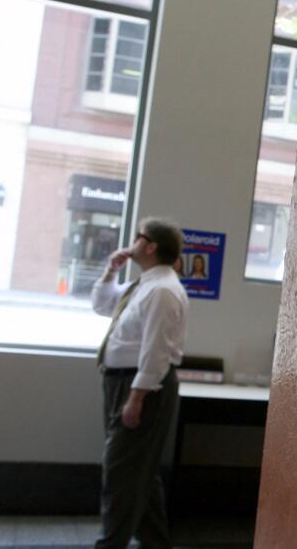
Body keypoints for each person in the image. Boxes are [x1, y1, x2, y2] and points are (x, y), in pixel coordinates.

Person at [90, 217, 189, 549]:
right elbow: (103, 306)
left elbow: (156, 351)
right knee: (139, 471)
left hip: (143, 387)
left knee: (120, 473)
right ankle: (156, 543)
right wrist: (111, 270)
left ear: (150, 246)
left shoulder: (163, 290)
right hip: (124, 383)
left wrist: (136, 398)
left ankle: (110, 544)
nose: (131, 243)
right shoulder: (144, 284)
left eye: (137, 238)